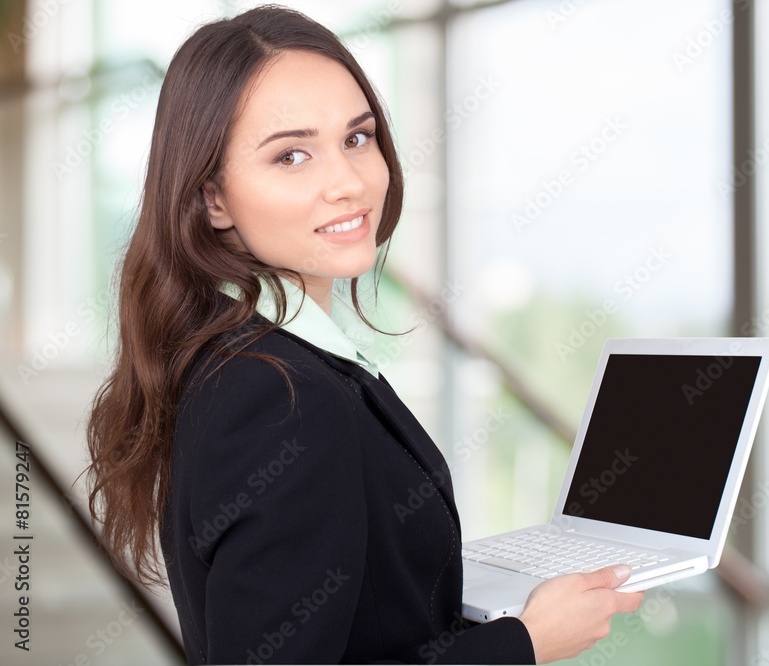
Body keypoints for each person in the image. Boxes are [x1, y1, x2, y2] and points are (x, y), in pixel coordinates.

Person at [86, 5, 644, 664]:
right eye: (292, 155)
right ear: (213, 199)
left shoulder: (260, 361)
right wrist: (524, 643)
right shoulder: (274, 396)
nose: (349, 183)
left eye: (357, 138)